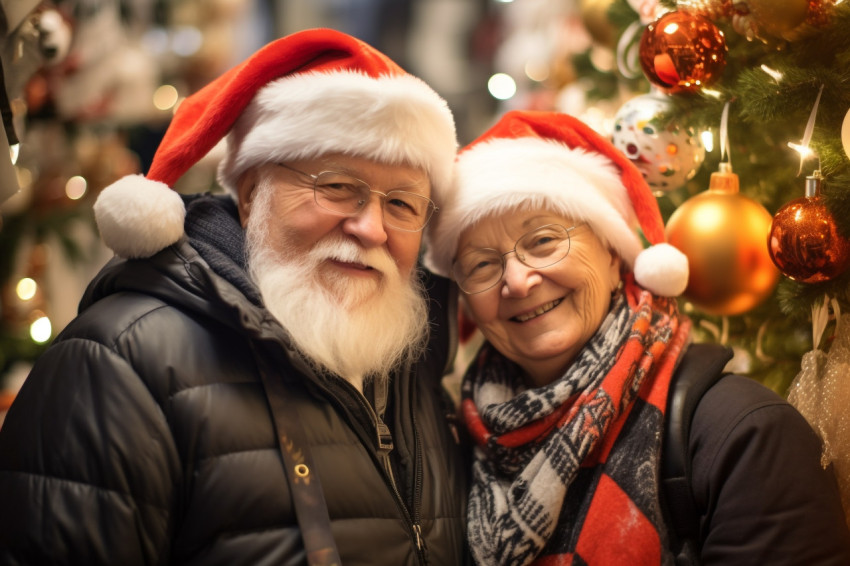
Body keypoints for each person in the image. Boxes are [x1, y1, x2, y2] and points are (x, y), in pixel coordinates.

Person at [0, 29, 470, 565]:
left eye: (404, 205)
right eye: (337, 186)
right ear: (251, 193)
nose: (372, 228)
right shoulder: (119, 363)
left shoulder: (415, 364)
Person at [424, 109, 850, 566]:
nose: (517, 281)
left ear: (613, 254)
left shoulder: (745, 435)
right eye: (482, 265)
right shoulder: (452, 445)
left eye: (544, 241)